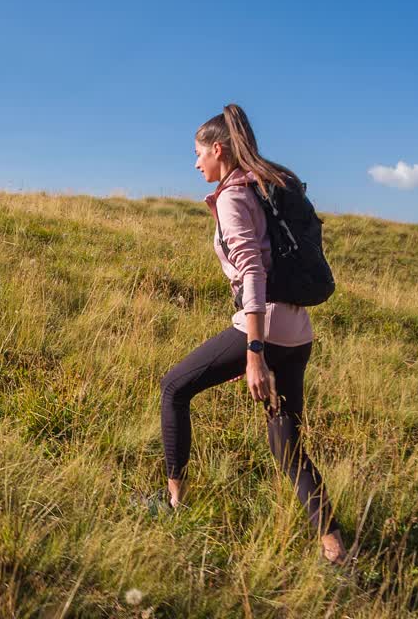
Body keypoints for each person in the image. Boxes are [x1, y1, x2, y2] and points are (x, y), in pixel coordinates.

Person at [157, 104, 349, 566]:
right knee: (286, 445)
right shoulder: (266, 186)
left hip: (263, 328)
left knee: (174, 387)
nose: (195, 163)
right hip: (298, 330)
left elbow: (253, 273)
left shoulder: (233, 196)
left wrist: (254, 354)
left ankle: (173, 505)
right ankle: (336, 551)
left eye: (198, 154)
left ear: (217, 149)